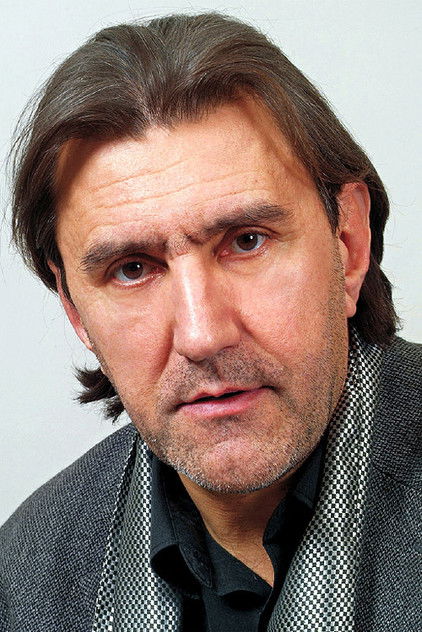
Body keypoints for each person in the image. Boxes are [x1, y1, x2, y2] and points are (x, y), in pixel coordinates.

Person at [0, 12, 420, 632]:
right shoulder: (25, 578)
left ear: (348, 242)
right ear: (74, 308)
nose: (202, 335)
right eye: (132, 269)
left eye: (247, 241)